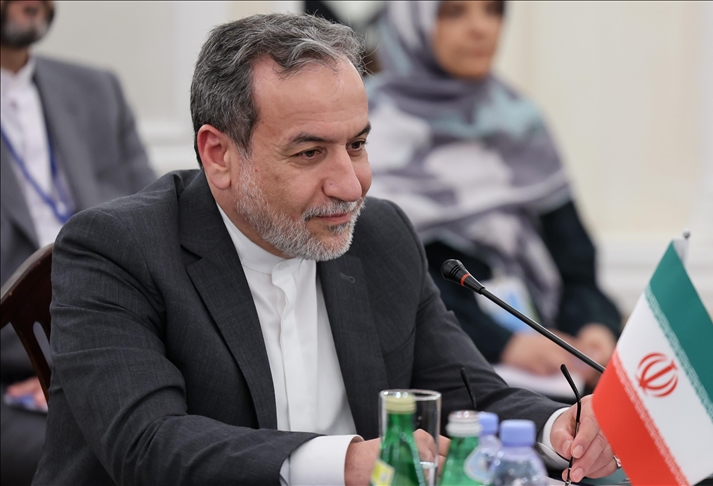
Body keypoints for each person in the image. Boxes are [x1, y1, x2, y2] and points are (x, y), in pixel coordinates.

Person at [32, 13, 618, 485]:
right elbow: (148, 447)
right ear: (219, 155)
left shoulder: (382, 234)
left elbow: (470, 391)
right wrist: (345, 463)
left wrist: (558, 427)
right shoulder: (117, 249)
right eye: (309, 153)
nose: (350, 184)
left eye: (357, 145)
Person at [364, 0, 621, 385]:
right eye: (454, 12)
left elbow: (577, 264)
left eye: (493, 10)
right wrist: (506, 345)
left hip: (557, 372)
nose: (481, 28)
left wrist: (593, 327)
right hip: (443, 379)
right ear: (410, 22)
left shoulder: (520, 122)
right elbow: (389, 282)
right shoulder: (366, 129)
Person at [0, 1, 155, 484]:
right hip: (13, 373)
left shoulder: (96, 89)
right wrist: (52, 372)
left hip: (120, 353)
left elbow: (153, 232)